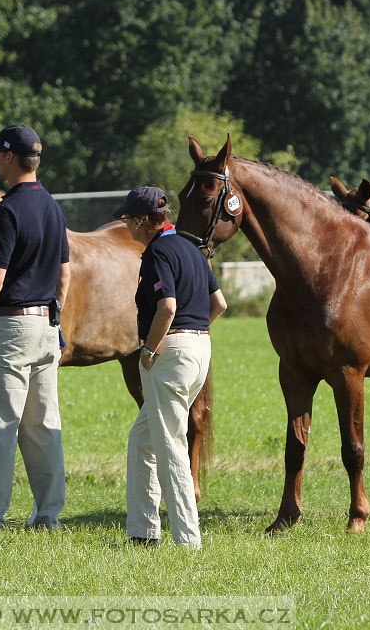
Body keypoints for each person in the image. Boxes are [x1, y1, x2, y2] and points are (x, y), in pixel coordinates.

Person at [0, 124, 70, 530]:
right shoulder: (53, 207)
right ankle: (48, 515)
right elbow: (65, 275)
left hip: (10, 330)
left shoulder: (5, 210)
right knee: (44, 429)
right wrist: (55, 314)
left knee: (2, 428)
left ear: (9, 157)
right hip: (46, 325)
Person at [116, 186, 227, 549]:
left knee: (170, 445)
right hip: (199, 347)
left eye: (130, 218)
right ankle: (143, 531)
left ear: (147, 221)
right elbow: (219, 303)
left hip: (171, 350)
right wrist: (194, 335)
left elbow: (167, 307)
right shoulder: (192, 249)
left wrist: (149, 349)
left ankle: (187, 541)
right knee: (143, 439)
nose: (127, 224)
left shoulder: (158, 251)